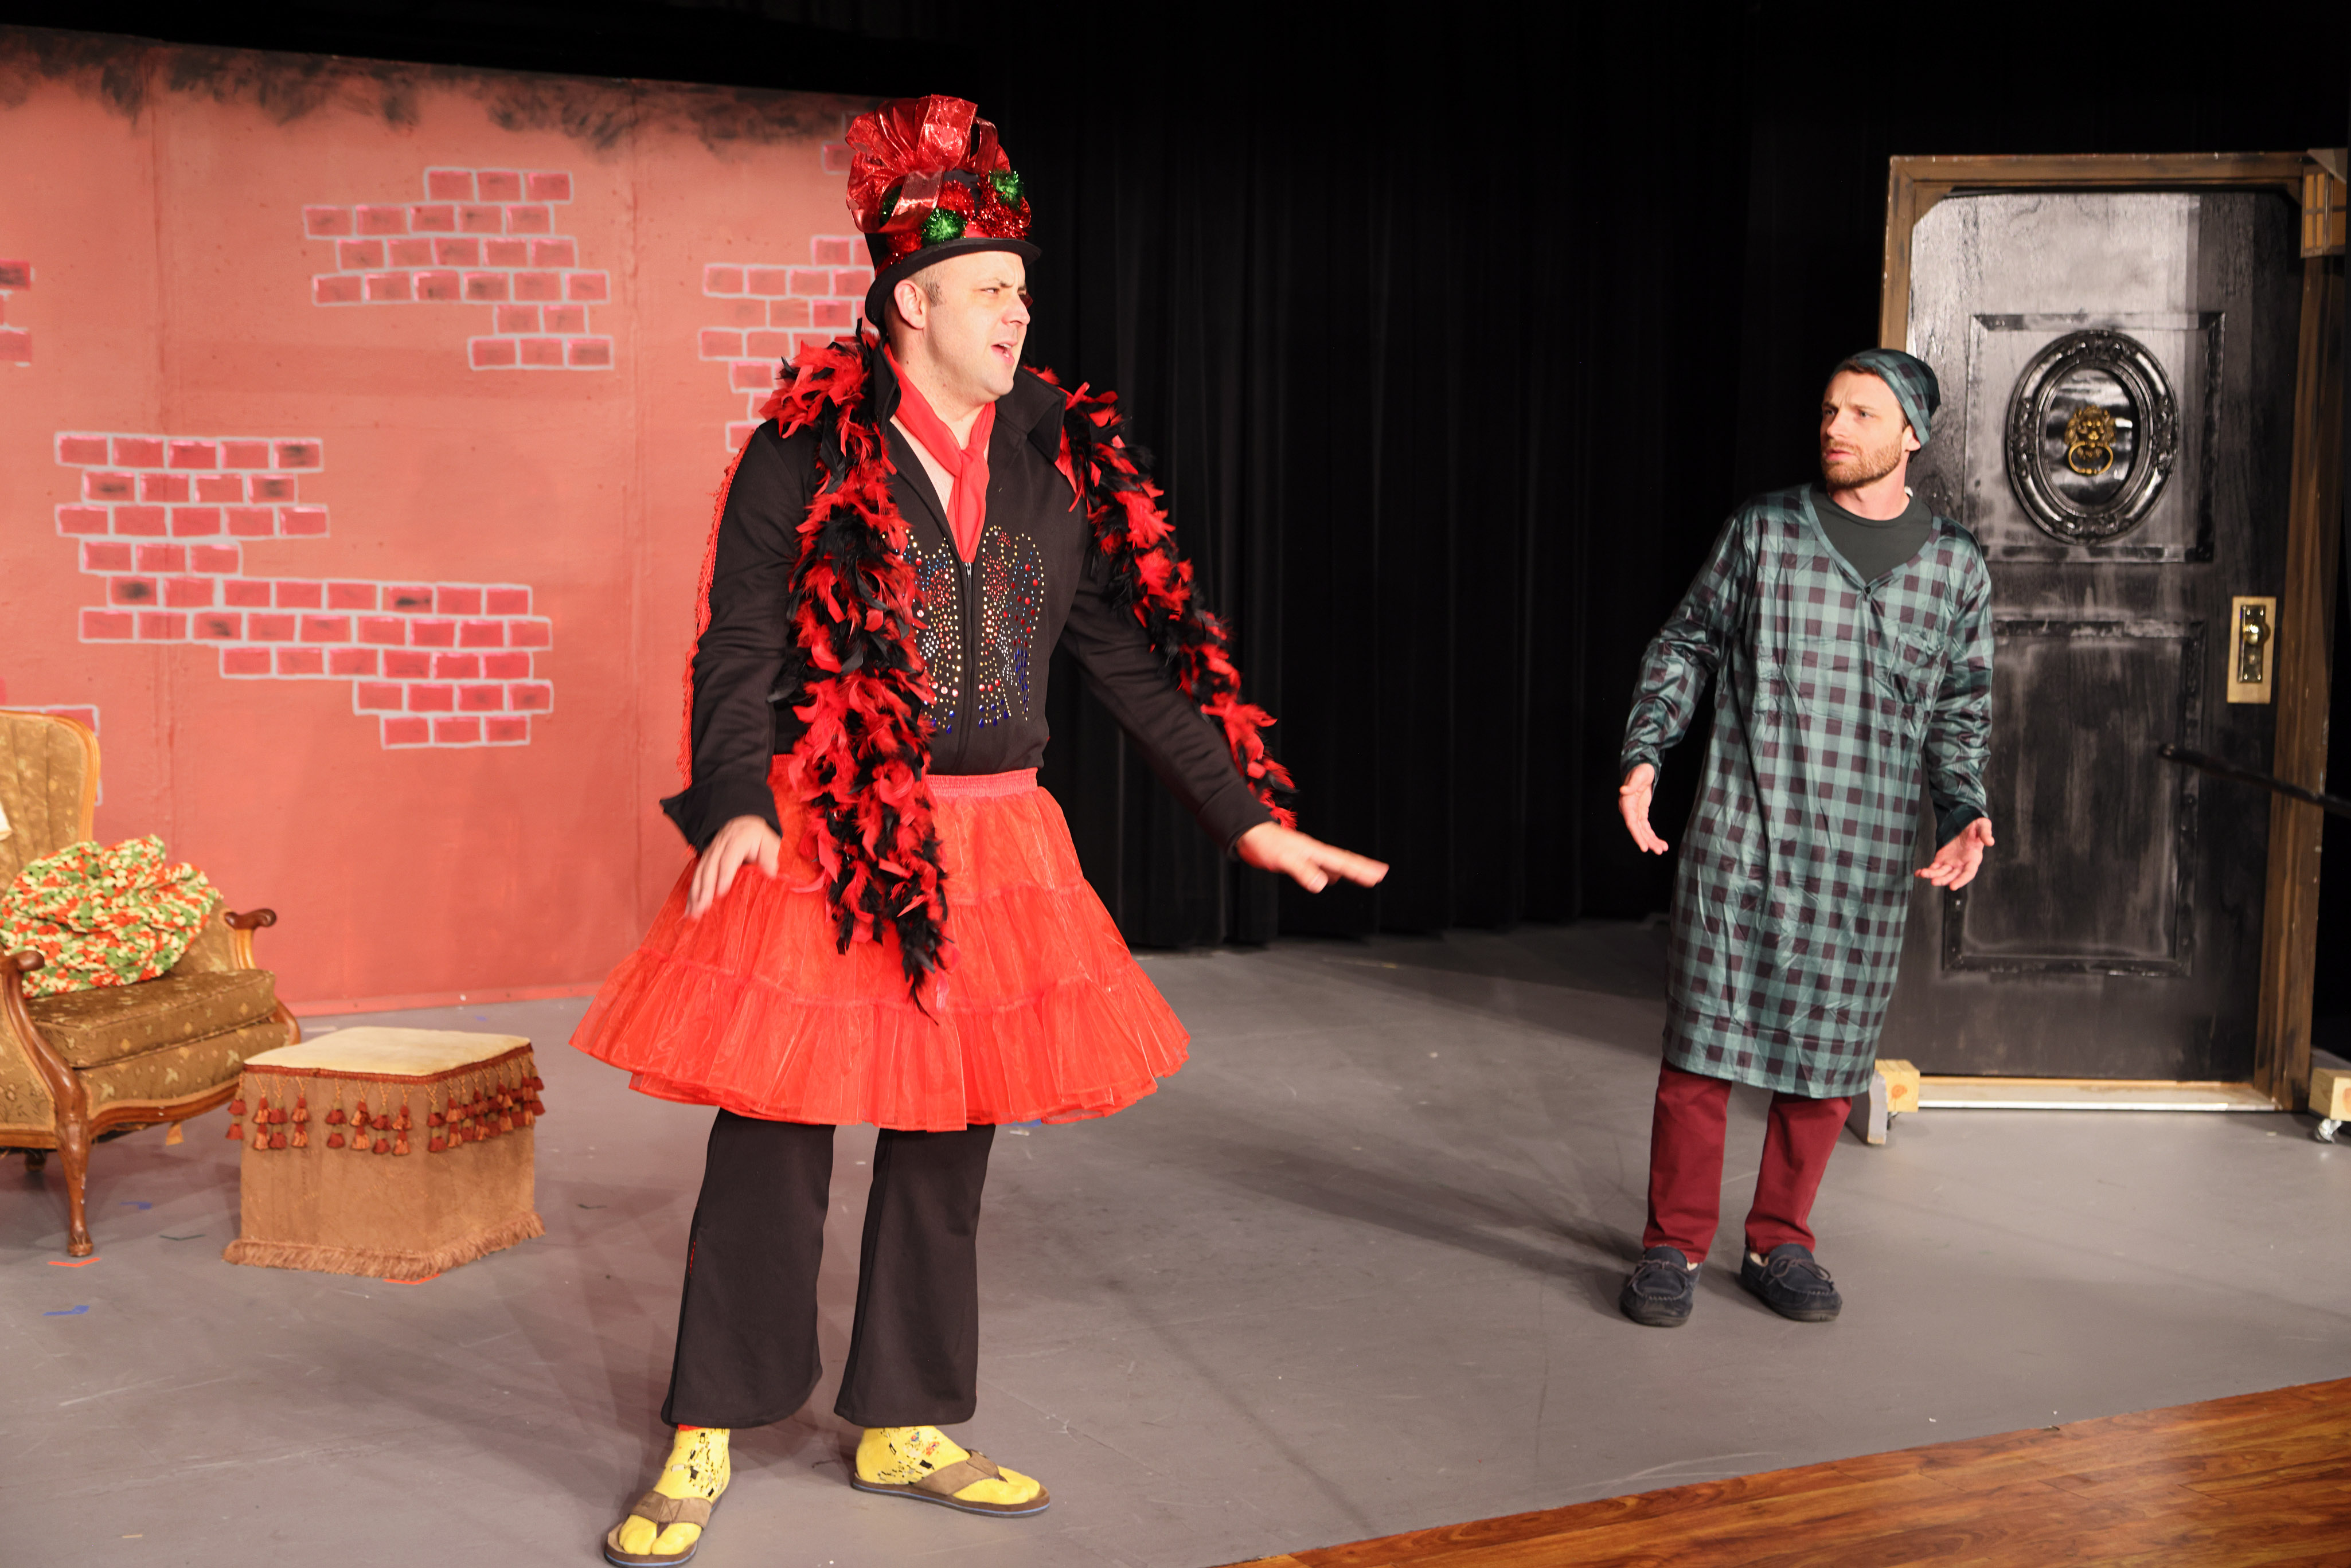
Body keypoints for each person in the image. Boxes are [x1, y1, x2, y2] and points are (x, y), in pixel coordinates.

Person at [573, 95, 1387, 1565]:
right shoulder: (801, 451)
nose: (1021, 312)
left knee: (948, 1142)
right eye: (994, 290)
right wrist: (738, 800)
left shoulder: (1052, 456)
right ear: (914, 303)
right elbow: (738, 639)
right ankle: (710, 1425)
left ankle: (904, 1418)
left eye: (1021, 289)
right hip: (834, 834)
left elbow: (1119, 654)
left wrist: (1244, 819)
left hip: (997, 839)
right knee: (774, 1139)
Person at [1612, 348, 1993, 1330]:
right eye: (1829, 410)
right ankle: (1671, 1247)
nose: (1835, 428)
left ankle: (1779, 1241)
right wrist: (1647, 752)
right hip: (1745, 834)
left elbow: (1961, 710)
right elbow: (1686, 644)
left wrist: (1963, 810)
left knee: (1829, 1060)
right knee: (1702, 1050)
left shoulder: (1954, 564)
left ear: (1912, 434)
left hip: (1865, 851)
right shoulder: (1766, 532)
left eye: (1862, 413)